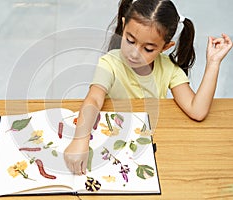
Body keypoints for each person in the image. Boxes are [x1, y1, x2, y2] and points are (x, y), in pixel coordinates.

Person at [64, 0, 232, 175]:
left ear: (165, 48)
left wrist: (213, 63)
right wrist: (80, 139)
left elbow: (197, 111)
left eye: (149, 49)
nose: (135, 53)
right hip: (111, 139)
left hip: (149, 145)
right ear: (123, 26)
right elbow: (94, 98)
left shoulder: (168, 69)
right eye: (130, 41)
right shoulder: (110, 63)